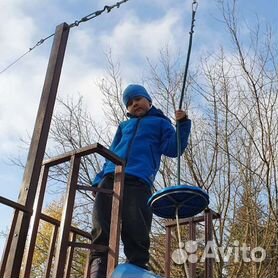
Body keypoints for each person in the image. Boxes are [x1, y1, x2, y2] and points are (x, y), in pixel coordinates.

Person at [90, 84, 191, 277]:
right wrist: (98, 179)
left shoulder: (160, 123)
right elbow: (111, 153)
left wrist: (183, 124)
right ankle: (99, 265)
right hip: (112, 175)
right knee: (101, 222)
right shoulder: (124, 126)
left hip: (138, 179)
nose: (134, 104)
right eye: (129, 103)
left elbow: (173, 148)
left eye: (137, 99)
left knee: (136, 224)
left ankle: (135, 266)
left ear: (149, 101)